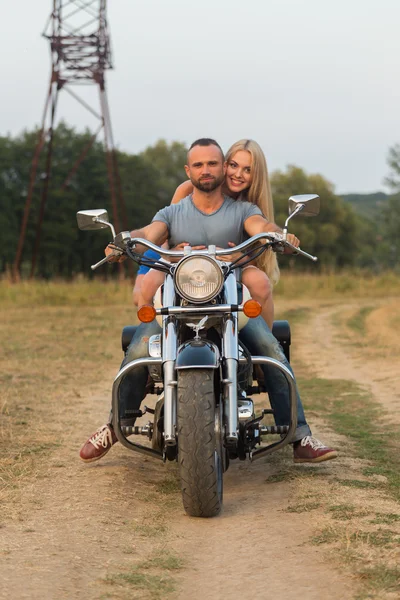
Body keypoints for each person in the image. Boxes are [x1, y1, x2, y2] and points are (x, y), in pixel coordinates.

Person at [79, 138, 337, 465]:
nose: (206, 170)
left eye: (213, 163)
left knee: (270, 347)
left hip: (229, 301)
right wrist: (122, 242)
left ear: (221, 166)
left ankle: (301, 436)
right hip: (178, 303)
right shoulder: (172, 212)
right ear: (189, 171)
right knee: (139, 349)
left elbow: (261, 226)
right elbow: (149, 232)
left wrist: (279, 235)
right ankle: (114, 425)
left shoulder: (244, 210)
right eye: (198, 165)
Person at [136, 140, 276, 328]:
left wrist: (278, 236)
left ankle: (268, 341)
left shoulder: (248, 207)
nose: (237, 174)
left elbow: (258, 240)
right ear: (225, 166)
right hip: (170, 252)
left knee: (260, 282)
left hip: (227, 264)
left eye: (247, 170)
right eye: (234, 166)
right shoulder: (189, 189)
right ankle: (146, 337)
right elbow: (167, 230)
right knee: (142, 290)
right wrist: (169, 254)